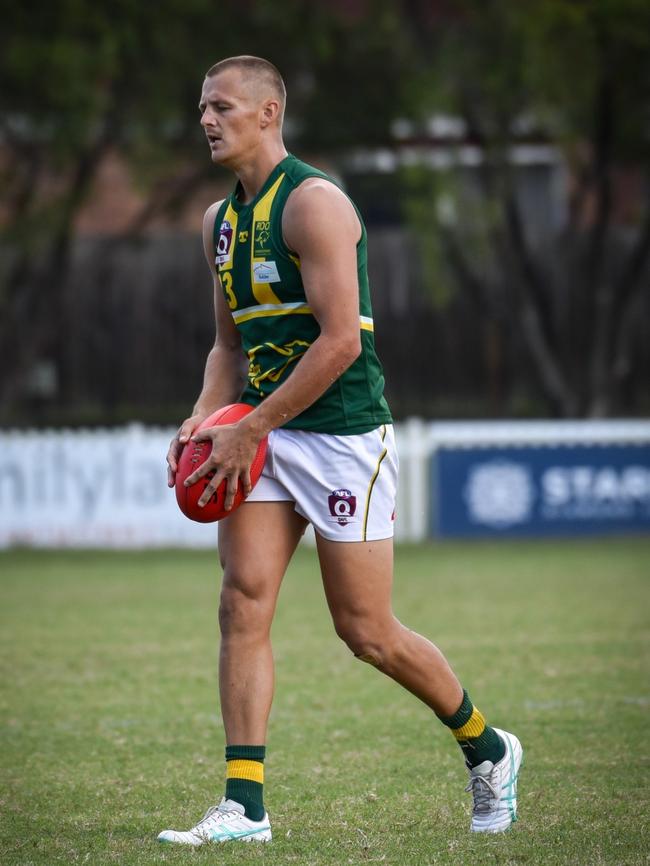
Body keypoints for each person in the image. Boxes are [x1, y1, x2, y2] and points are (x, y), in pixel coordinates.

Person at [160, 55, 522, 846]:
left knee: (367, 632)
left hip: (341, 436)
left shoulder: (315, 203)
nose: (206, 121)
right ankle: (246, 807)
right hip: (260, 433)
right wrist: (202, 418)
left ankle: (488, 749)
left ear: (268, 113)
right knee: (241, 601)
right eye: (201, 108)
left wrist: (251, 425)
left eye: (221, 106)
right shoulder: (218, 222)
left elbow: (340, 346)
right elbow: (228, 344)